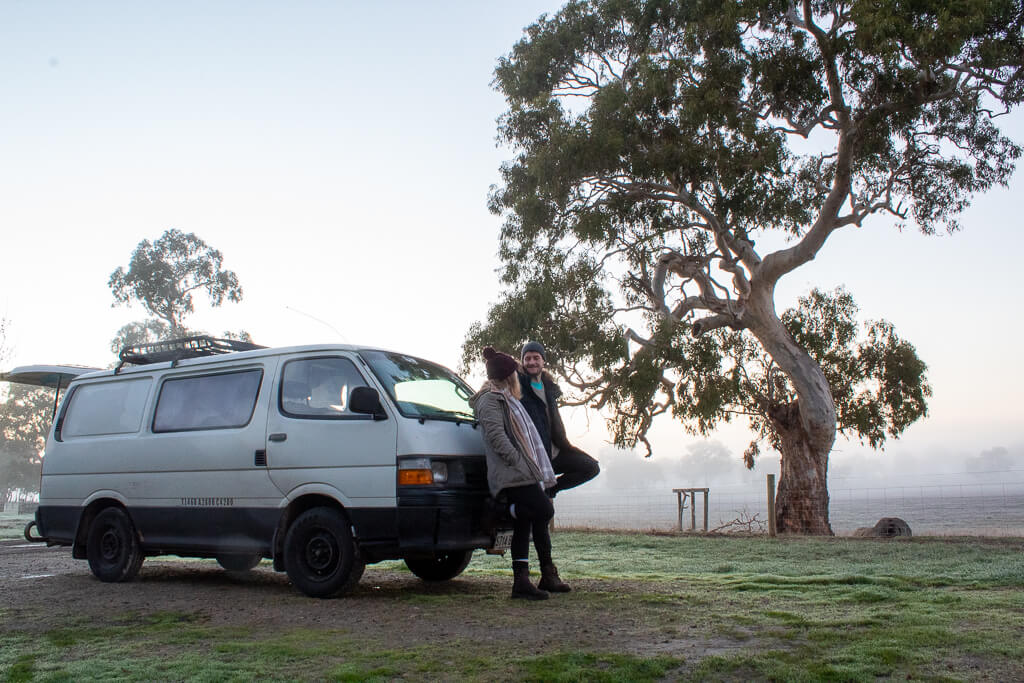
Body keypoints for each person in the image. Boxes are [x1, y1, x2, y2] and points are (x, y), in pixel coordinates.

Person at [469, 346, 572, 599]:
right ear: (508, 376)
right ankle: (498, 510)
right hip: (512, 472)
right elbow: (496, 437)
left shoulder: (507, 398)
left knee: (524, 521)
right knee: (545, 510)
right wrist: (518, 461)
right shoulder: (489, 399)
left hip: (521, 470)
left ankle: (521, 581)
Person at [518, 341, 600, 498]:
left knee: (591, 467)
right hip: (535, 458)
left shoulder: (549, 388)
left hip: (556, 453)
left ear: (543, 361)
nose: (532, 362)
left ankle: (551, 490)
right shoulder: (519, 388)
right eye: (527, 359)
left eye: (536, 358)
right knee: (539, 513)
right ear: (522, 362)